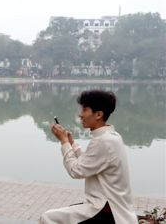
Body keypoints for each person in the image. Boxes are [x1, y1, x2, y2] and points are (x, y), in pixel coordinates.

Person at [39, 90, 137, 224]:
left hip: (106, 209)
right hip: (111, 207)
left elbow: (76, 171)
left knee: (48, 218)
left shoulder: (103, 141)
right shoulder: (112, 137)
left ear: (98, 114)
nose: (80, 115)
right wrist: (72, 144)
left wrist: (64, 142)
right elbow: (90, 162)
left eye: (85, 110)